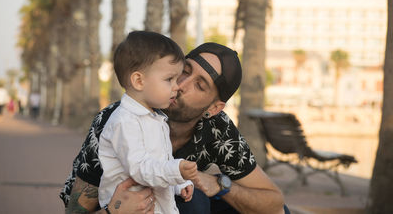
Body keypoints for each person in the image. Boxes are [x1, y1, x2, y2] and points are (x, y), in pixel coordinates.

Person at [60, 38, 287, 214]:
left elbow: (275, 204)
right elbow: (74, 211)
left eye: (200, 85)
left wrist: (219, 185)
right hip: (120, 206)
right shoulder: (118, 120)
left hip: (169, 204)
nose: (181, 85)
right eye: (184, 72)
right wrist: (114, 210)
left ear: (214, 108)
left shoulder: (218, 129)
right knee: (192, 202)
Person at [97, 31, 199, 214]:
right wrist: (176, 171)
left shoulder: (155, 118)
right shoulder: (125, 121)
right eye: (169, 79)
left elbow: (159, 161)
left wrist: (178, 184)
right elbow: (141, 169)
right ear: (138, 81)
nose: (177, 86)